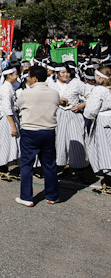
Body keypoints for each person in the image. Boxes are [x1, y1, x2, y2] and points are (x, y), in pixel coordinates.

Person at [15, 65, 60, 207]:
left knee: (27, 164)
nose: (28, 79)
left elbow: (18, 105)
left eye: (29, 77)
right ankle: (52, 195)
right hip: (48, 130)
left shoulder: (26, 93)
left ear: (34, 78)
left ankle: (27, 197)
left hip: (31, 130)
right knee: (49, 164)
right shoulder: (54, 93)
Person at [55, 61, 90, 181]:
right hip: (59, 114)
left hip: (73, 114)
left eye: (67, 72)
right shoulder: (52, 84)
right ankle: (65, 167)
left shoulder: (76, 83)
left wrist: (80, 106)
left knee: (77, 140)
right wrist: (57, 100)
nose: (65, 75)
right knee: (61, 141)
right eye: (62, 72)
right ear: (57, 73)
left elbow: (90, 96)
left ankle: (80, 170)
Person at [0, 66, 21, 182]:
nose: (17, 76)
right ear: (9, 75)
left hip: (7, 117)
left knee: (8, 144)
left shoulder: (9, 87)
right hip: (5, 119)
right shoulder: (6, 89)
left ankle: (4, 167)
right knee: (4, 144)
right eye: (15, 74)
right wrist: (12, 125)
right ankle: (1, 169)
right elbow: (7, 108)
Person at [84, 65, 111, 195]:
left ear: (99, 76)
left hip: (104, 121)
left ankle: (109, 183)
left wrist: (88, 117)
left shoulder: (99, 90)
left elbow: (91, 110)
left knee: (104, 150)